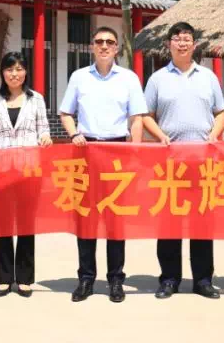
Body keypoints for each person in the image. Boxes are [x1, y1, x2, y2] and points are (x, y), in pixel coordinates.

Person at [59, 25, 147, 303]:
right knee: (86, 217)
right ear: (91, 47)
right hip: (86, 150)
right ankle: (86, 278)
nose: (105, 46)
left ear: (117, 48)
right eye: (99, 42)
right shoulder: (79, 77)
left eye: (110, 42)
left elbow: (137, 118)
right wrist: (73, 134)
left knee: (115, 219)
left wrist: (135, 152)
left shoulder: (129, 78)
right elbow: (65, 113)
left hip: (118, 151)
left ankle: (116, 279)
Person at [142, 22, 224, 300]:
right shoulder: (157, 79)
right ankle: (169, 279)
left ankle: (203, 280)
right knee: (169, 222)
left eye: (187, 38)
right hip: (169, 161)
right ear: (169, 44)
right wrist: (160, 136)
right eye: (177, 38)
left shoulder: (208, 77)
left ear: (194, 44)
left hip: (203, 160)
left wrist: (214, 134)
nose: (182, 43)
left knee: (202, 221)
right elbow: (146, 115)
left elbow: (222, 113)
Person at [0, 51, 53, 297]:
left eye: (19, 69)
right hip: (1, 169)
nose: (14, 74)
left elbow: (44, 129)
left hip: (29, 169)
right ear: (3, 73)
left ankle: (25, 278)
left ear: (26, 72)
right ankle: (4, 278)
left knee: (26, 223)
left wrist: (45, 138)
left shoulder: (36, 99)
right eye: (9, 69)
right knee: (3, 224)